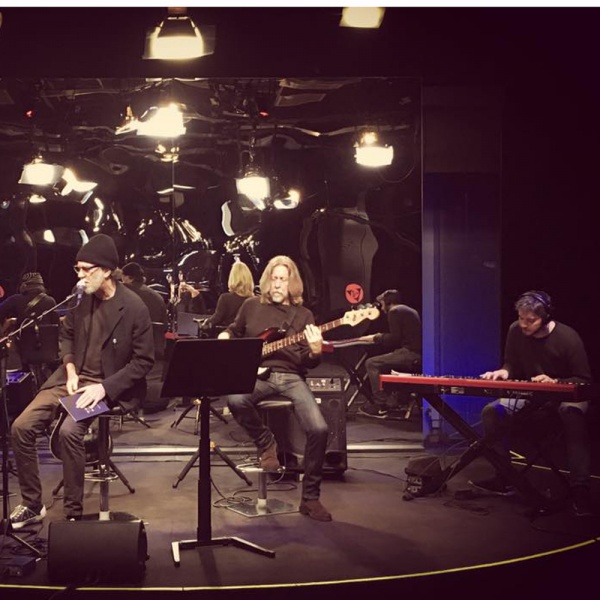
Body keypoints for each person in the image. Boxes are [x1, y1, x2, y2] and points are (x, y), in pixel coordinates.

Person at [9, 233, 155, 528]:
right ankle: (32, 504)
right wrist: (71, 368)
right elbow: (67, 335)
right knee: (21, 427)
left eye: (86, 269)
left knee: (69, 433)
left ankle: (72, 513)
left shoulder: (134, 307)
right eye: (78, 269)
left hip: (106, 384)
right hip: (71, 377)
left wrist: (103, 388)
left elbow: (144, 361)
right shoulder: (80, 298)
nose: (80, 275)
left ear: (106, 270)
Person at [218, 255, 332, 522]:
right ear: (268, 280)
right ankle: (265, 441)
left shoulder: (304, 315)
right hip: (258, 375)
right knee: (236, 399)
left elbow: (308, 361)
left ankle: (310, 498)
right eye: (275, 278)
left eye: (284, 279)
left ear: (293, 283)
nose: (279, 284)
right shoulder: (251, 305)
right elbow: (234, 330)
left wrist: (315, 351)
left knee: (319, 429)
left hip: (291, 376)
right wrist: (225, 336)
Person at [469, 290, 594, 517]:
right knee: (492, 411)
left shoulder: (568, 337)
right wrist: (504, 372)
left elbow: (584, 380)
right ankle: (504, 476)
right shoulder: (515, 331)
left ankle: (580, 488)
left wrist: (556, 382)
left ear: (545, 317)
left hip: (568, 396)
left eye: (531, 320)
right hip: (533, 395)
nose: (523, 325)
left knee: (572, 413)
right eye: (520, 318)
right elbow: (511, 364)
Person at [357, 289, 422, 419]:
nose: (381, 309)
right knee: (384, 361)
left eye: (382, 304)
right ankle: (394, 399)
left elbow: (395, 338)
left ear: (388, 302)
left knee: (371, 363)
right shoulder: (407, 310)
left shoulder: (394, 311)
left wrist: (376, 337)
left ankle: (380, 405)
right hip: (415, 352)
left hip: (411, 353)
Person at [0, 272, 60, 378]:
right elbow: (56, 325)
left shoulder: (15, 299)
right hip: (47, 351)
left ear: (24, 285)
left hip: (24, 352)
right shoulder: (50, 301)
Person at [199, 260, 255, 336]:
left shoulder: (225, 298)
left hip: (229, 337)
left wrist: (206, 322)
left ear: (232, 278)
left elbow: (217, 319)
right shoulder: (254, 301)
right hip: (249, 338)